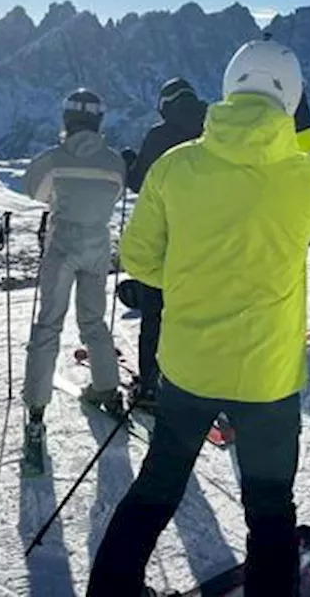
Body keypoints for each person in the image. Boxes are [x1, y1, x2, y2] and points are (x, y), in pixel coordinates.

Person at [87, 37, 310, 597]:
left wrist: (190, 279)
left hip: (188, 365)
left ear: (229, 87)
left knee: (159, 484)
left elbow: (138, 259)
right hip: (268, 374)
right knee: (268, 505)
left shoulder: (175, 166)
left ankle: (110, 589)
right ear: (292, 99)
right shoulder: (304, 173)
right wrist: (306, 134)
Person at [20, 89, 128, 463]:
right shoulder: (115, 162)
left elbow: (34, 190)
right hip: (98, 244)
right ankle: (107, 388)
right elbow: (114, 196)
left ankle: (36, 409)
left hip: (63, 244)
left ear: (66, 120)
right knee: (93, 320)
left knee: (49, 323)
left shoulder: (53, 159)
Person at [119, 77, 208, 410]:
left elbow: (141, 183)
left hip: (167, 239)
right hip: (210, 239)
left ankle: (151, 386)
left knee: (155, 314)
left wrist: (129, 164)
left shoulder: (160, 135)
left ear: (165, 104)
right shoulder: (214, 130)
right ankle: (200, 381)